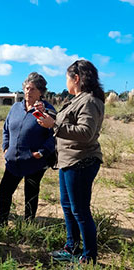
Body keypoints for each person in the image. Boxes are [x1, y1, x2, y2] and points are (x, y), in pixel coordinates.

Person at [37, 60, 105, 265]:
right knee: (68, 207)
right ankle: (72, 247)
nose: (66, 82)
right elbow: (67, 122)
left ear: (76, 78)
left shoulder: (90, 101)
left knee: (80, 210)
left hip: (81, 161)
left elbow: (85, 132)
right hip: (69, 161)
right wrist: (49, 115)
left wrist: (54, 123)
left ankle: (88, 257)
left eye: (67, 78)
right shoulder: (78, 99)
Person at [0, 72, 56, 226]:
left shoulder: (47, 110)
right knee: (5, 190)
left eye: (33, 89)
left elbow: (54, 135)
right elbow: (6, 129)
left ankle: (28, 225)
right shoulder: (16, 107)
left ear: (41, 92)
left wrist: (41, 152)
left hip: (33, 162)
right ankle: (2, 221)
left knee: (31, 194)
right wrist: (5, 147)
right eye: (27, 88)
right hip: (13, 160)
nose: (28, 91)